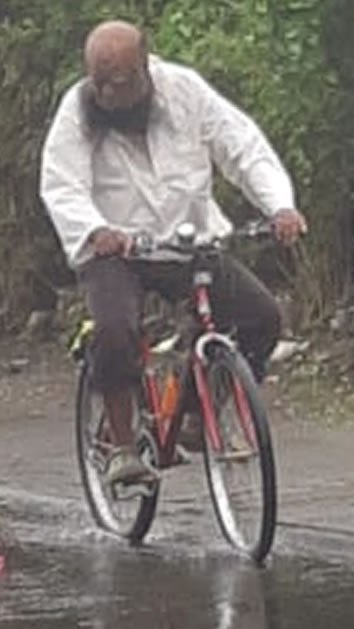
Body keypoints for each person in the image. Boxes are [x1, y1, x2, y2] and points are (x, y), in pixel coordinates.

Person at [39, 20, 307, 489]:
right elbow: (61, 183)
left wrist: (279, 205)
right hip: (115, 249)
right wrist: (95, 229)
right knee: (116, 330)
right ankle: (122, 445)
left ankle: (194, 416)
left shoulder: (184, 91)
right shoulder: (77, 112)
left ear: (146, 70)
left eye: (120, 85)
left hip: (187, 242)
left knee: (262, 317)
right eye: (100, 85)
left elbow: (241, 147)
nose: (109, 96)